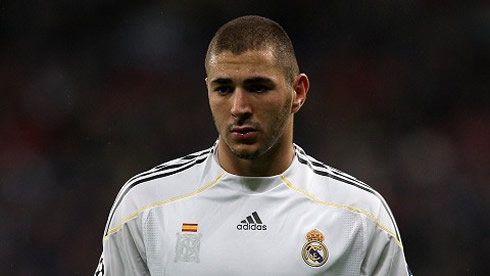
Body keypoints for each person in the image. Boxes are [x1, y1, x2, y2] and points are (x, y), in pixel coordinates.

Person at [95, 15, 412, 275]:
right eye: (223, 88)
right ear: (207, 90)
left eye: (258, 87)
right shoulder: (145, 206)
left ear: (298, 92)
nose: (239, 107)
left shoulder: (359, 216)